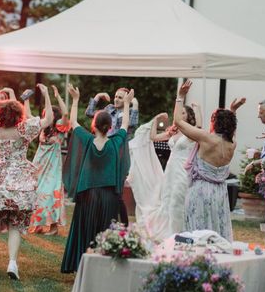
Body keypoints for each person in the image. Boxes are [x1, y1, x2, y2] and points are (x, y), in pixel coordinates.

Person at [0, 84, 53, 280]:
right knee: (15, 224)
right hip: (19, 182)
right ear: (18, 114)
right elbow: (48, 119)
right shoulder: (24, 129)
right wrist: (47, 95)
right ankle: (12, 264)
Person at [61, 84, 133, 273]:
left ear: (94, 125)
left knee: (84, 230)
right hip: (108, 196)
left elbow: (74, 122)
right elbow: (125, 125)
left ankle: (81, 266)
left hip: (88, 196)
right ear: (110, 127)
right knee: (104, 232)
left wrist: (75, 100)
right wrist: (126, 105)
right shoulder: (116, 141)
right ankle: (102, 267)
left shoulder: (86, 139)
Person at [173, 80, 245, 242]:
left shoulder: (206, 138)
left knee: (197, 230)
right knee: (217, 228)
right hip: (219, 192)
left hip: (200, 190)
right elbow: (232, 131)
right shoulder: (232, 144)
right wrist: (232, 111)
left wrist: (180, 96)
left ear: (215, 123)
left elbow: (178, 121)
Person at [128, 103, 200, 239]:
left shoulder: (191, 132)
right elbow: (153, 137)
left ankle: (179, 232)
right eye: (179, 113)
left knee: (178, 199)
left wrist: (198, 110)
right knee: (167, 198)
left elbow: (200, 127)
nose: (180, 115)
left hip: (182, 170)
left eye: (183, 113)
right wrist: (156, 119)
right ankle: (168, 231)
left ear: (189, 116)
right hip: (170, 169)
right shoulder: (173, 132)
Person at [85, 88, 139, 226]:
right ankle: (102, 220)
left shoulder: (129, 112)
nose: (116, 99)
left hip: (118, 156)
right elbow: (90, 113)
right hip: (103, 153)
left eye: (120, 97)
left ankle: (123, 225)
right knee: (101, 188)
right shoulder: (108, 109)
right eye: (116, 96)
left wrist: (135, 104)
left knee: (117, 192)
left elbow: (131, 124)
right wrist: (97, 96)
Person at [30, 85, 69, 236]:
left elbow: (66, 113)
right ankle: (39, 224)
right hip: (39, 164)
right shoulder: (43, 128)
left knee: (51, 193)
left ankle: (53, 227)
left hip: (52, 167)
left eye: (48, 114)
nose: (45, 116)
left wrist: (56, 95)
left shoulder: (60, 127)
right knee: (37, 192)